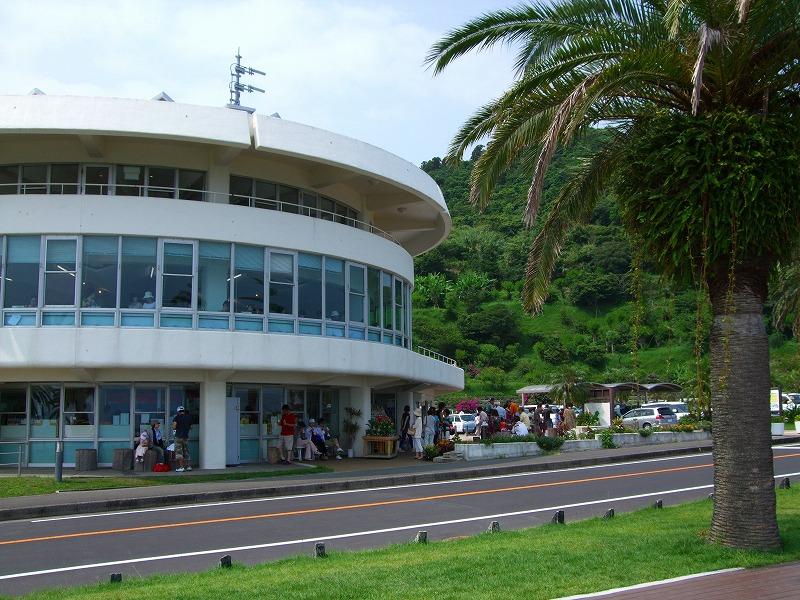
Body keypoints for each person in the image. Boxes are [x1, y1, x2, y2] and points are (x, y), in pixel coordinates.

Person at [171, 405, 192, 472]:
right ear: (183, 411)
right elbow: (190, 427)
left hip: (178, 437)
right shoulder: (188, 417)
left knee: (179, 452)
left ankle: (181, 467)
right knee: (186, 452)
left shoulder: (177, 417)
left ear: (178, 411)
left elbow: (174, 427)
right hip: (186, 437)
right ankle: (188, 466)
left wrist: (175, 427)